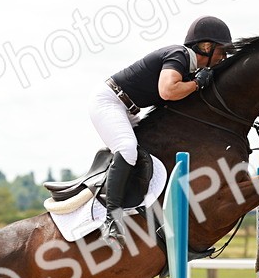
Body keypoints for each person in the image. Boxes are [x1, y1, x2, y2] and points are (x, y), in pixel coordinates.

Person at [89, 15, 232, 243]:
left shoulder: (190, 67)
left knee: (150, 149)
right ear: (206, 46)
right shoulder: (180, 55)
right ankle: (111, 219)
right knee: (127, 149)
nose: (223, 57)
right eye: (221, 51)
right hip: (110, 102)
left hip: (128, 108)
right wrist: (197, 83)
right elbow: (168, 91)